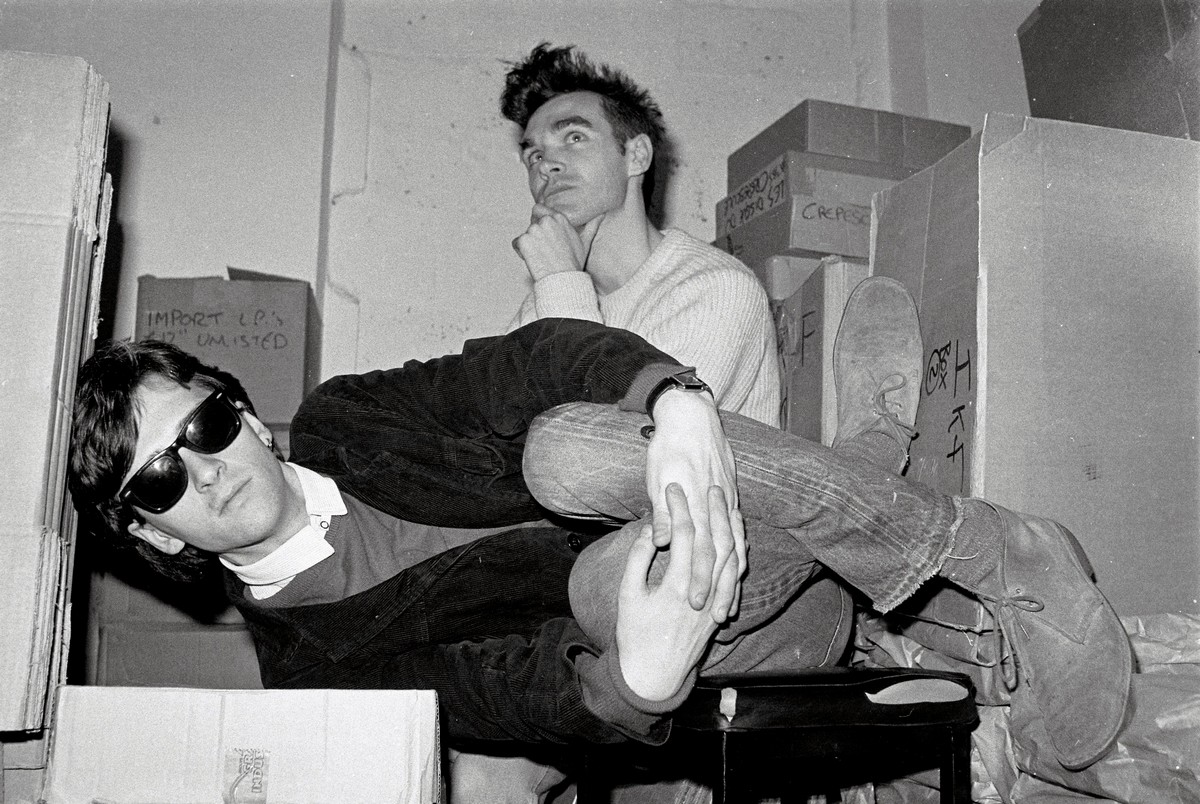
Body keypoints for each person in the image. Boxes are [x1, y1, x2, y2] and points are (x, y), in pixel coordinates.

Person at [67, 283, 1130, 789]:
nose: (204, 469)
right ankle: (873, 454)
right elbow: (506, 693)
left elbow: (523, 361)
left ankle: (984, 547)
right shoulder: (311, 670)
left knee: (565, 452)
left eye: (203, 427)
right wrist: (633, 687)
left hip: (735, 527)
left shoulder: (351, 419)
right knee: (602, 586)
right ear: (154, 538)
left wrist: (673, 402)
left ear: (246, 415)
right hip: (735, 642)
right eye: (158, 480)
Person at [503, 42, 781, 427]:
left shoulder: (717, 287)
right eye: (534, 155)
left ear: (637, 156)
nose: (546, 165)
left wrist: (561, 280)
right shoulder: (545, 301)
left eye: (574, 138)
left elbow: (607, 444)